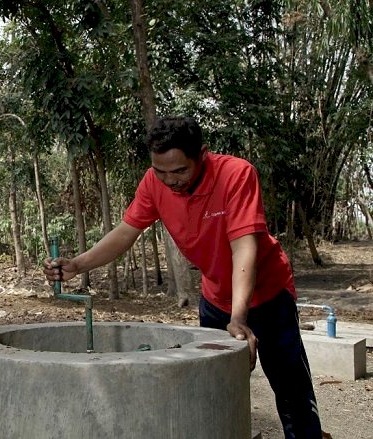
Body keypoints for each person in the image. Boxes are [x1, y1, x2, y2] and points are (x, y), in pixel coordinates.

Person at [44, 116, 322, 438]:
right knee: (212, 391)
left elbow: (244, 248)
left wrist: (239, 317)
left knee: (292, 395)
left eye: (179, 171)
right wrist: (78, 265)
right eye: (161, 171)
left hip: (269, 299)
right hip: (216, 300)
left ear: (202, 154)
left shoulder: (236, 174)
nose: (170, 180)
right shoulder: (153, 182)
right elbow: (125, 233)